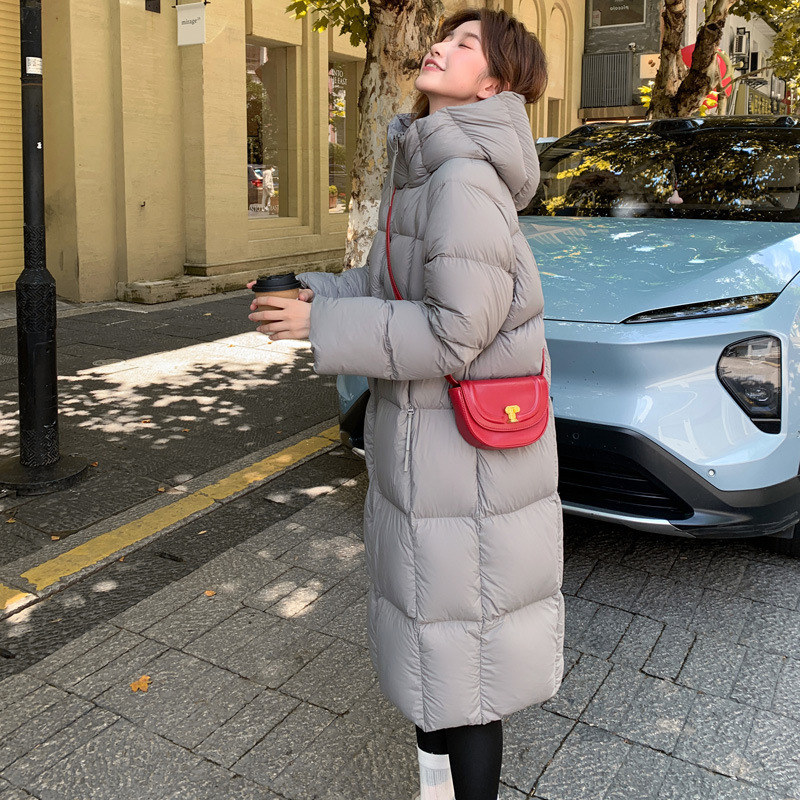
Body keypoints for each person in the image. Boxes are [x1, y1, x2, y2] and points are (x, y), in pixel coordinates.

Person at [248, 9, 563, 799]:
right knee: (432, 651)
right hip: (425, 451)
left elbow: (455, 333)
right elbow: (387, 286)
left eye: (466, 44)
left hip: (464, 463)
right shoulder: (423, 165)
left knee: (465, 667)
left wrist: (322, 327)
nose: (442, 47)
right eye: (444, 35)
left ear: (493, 84)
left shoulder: (463, 180)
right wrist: (314, 295)